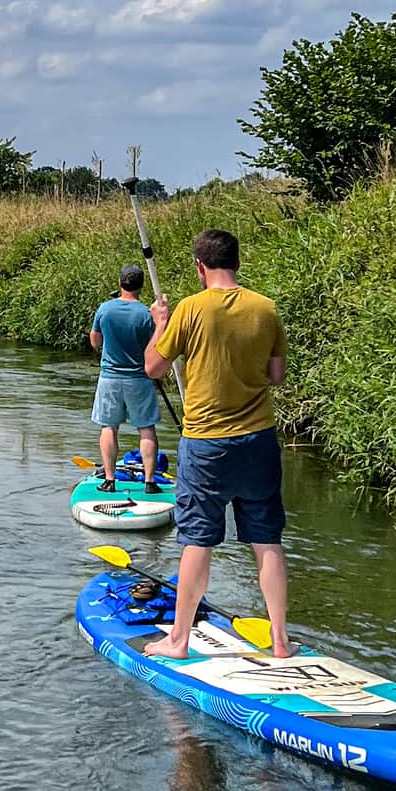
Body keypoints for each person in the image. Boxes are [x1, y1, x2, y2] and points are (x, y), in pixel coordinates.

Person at [141, 228, 290, 664]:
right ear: (237, 262)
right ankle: (280, 641)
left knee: (197, 541)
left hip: (206, 443)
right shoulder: (266, 309)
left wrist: (161, 326)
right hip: (259, 441)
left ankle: (179, 640)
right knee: (267, 540)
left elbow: (154, 367)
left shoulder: (189, 309)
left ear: (199, 267)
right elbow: (276, 376)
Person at [87, 265, 161, 491]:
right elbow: (156, 345)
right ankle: (149, 482)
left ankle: (109, 480)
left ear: (120, 283)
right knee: (146, 428)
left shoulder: (105, 309)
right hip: (139, 378)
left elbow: (95, 342)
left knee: (109, 427)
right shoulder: (146, 314)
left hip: (110, 378)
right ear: (141, 286)